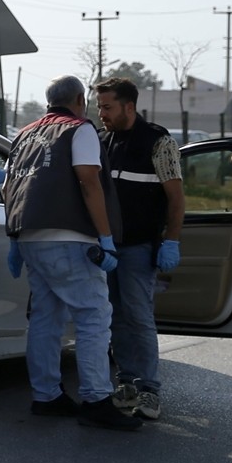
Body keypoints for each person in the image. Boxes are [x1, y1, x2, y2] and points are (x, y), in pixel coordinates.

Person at [3, 75, 139, 430]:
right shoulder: (78, 129)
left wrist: (14, 239)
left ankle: (46, 395)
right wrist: (105, 236)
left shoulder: (25, 133)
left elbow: (10, 185)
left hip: (30, 236)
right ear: (80, 99)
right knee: (94, 316)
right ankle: (96, 398)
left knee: (46, 318)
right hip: (70, 237)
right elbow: (88, 181)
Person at [95, 77, 184, 422]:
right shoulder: (103, 142)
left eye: (107, 107)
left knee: (138, 316)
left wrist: (171, 240)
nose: (101, 113)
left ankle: (149, 390)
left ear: (128, 107)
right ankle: (126, 382)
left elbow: (176, 199)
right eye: (99, 106)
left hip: (138, 246)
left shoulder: (158, 142)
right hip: (109, 248)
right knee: (114, 316)